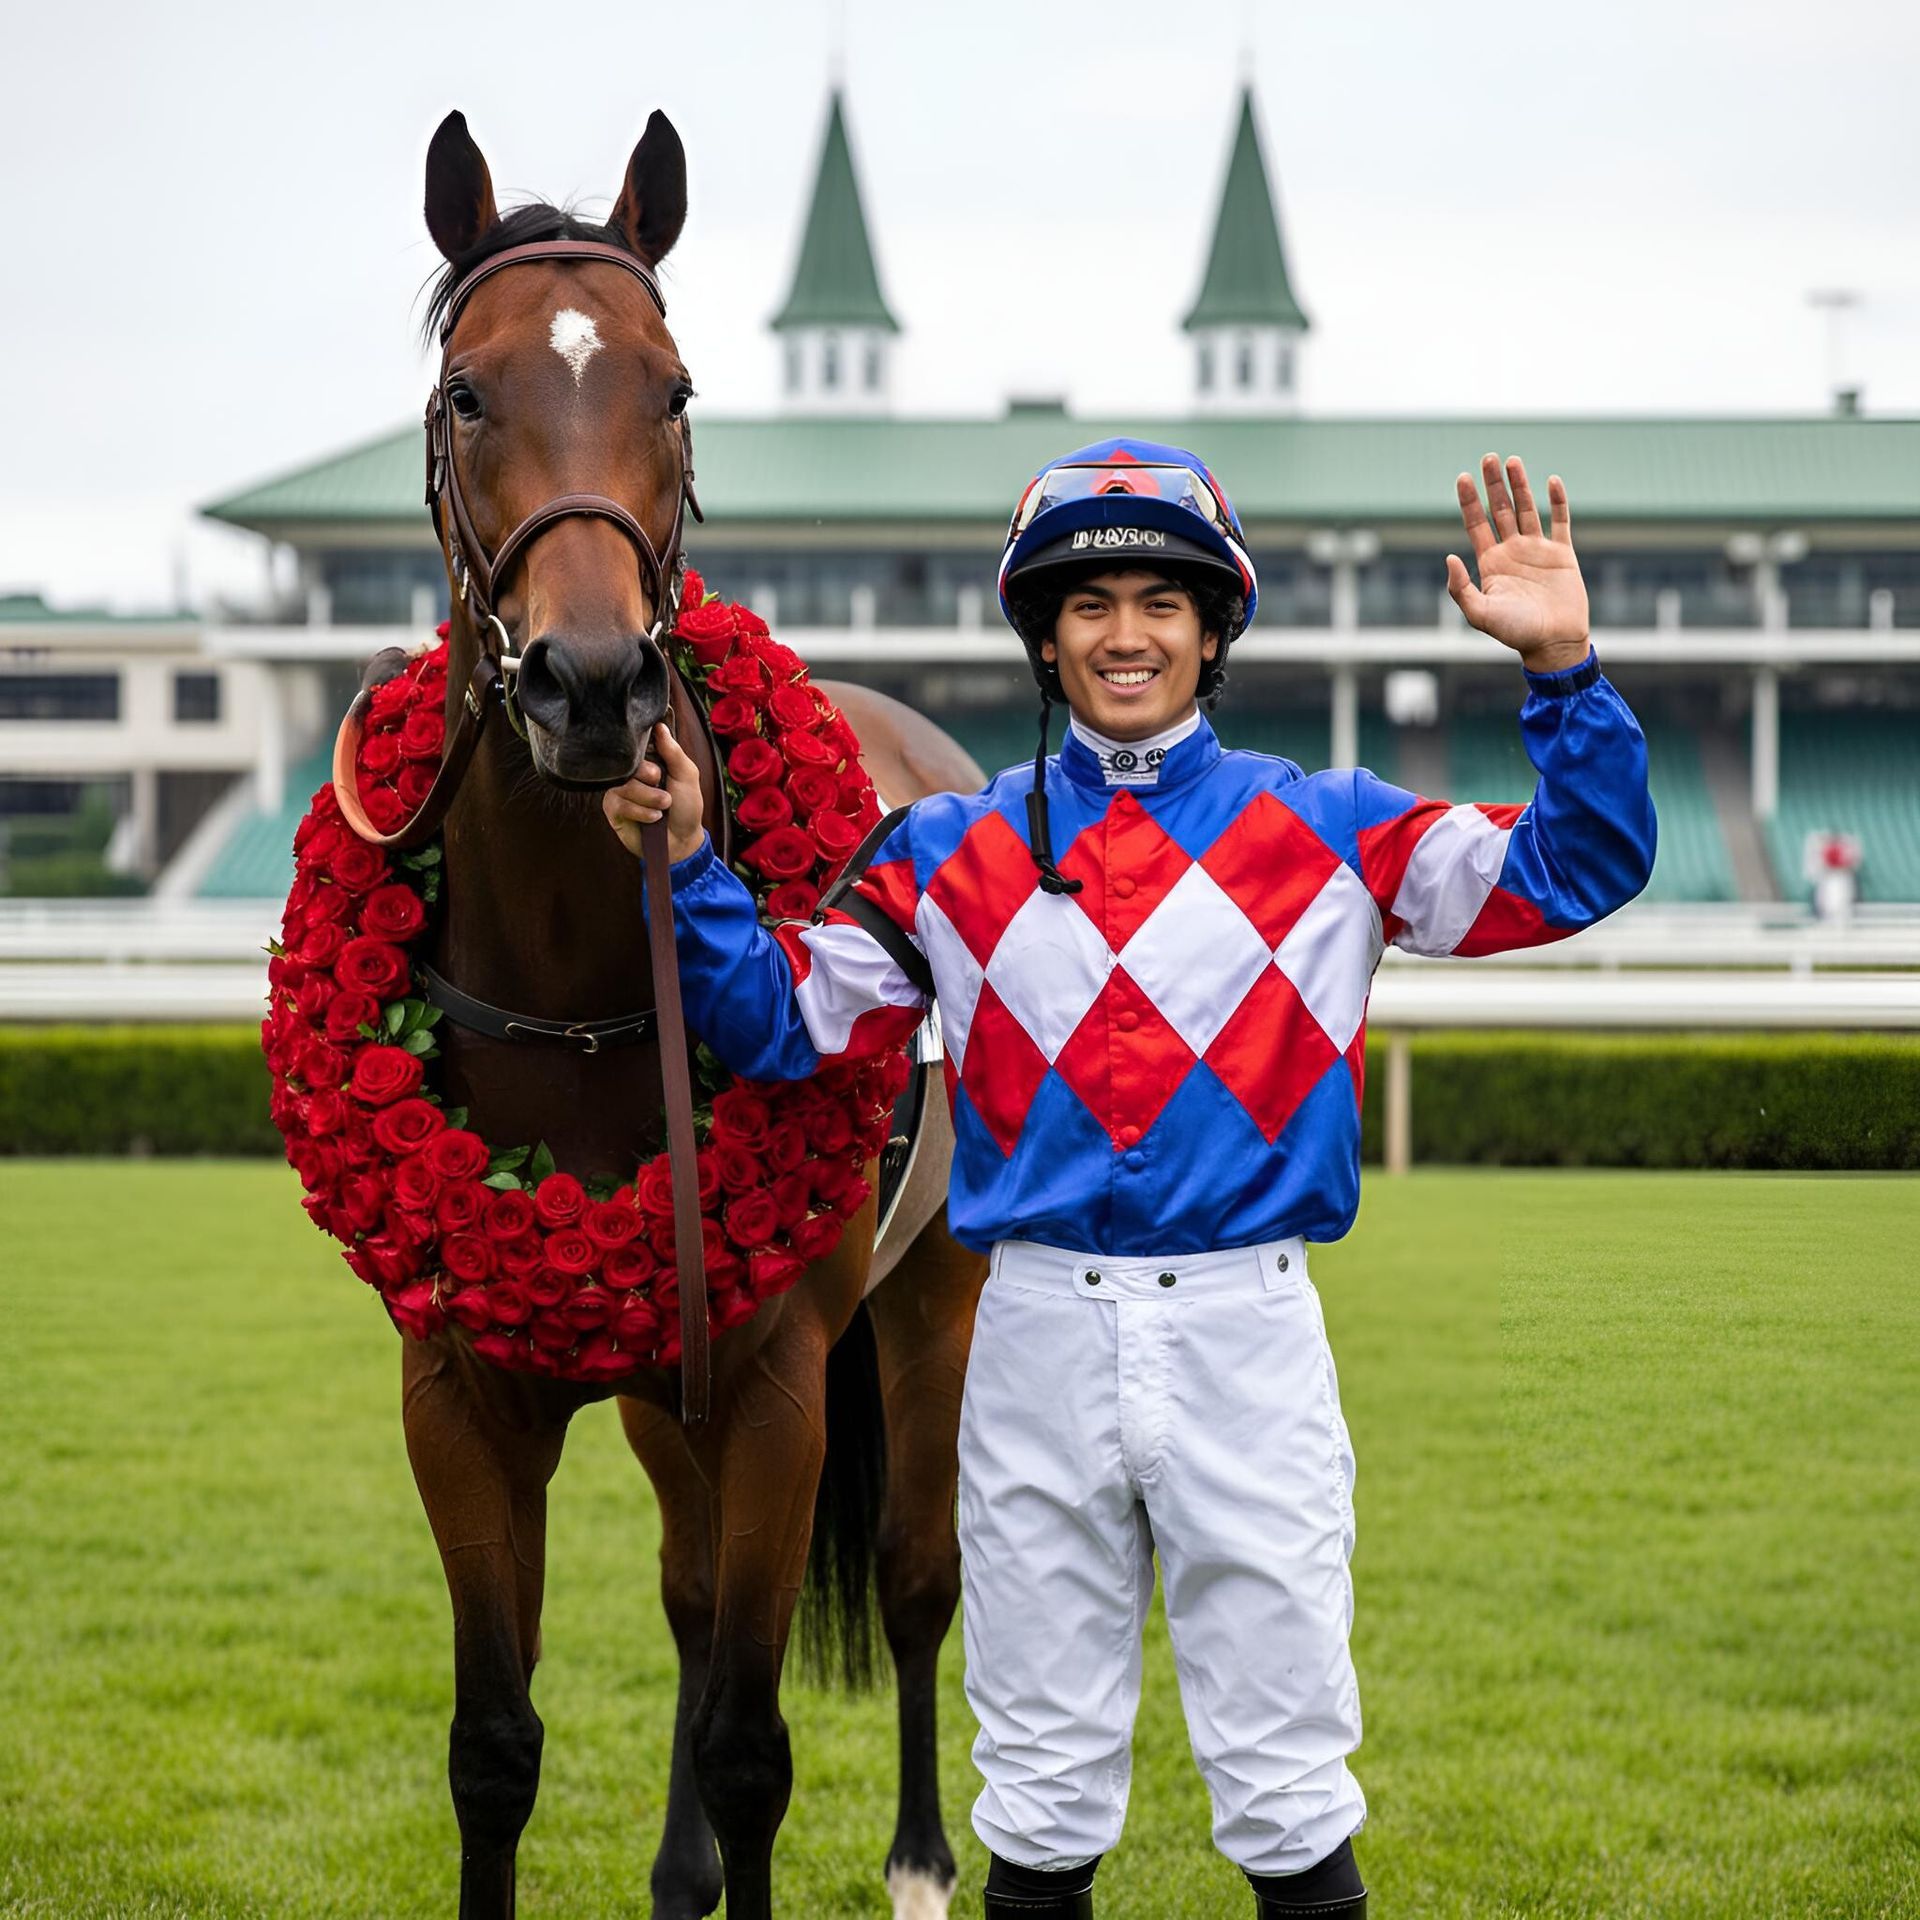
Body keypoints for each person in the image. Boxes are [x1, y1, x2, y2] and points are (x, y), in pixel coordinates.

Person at [603, 441, 1657, 1918]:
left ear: (1213, 632)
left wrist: (1563, 670)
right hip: (1035, 1335)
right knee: (1036, 1793)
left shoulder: (1337, 829)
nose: (1125, 634)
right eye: (1089, 603)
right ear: (1045, 636)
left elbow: (1586, 863)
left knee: (1290, 1786)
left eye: (1162, 599)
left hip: (1248, 1331)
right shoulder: (944, 850)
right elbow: (780, 1020)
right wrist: (699, 866)